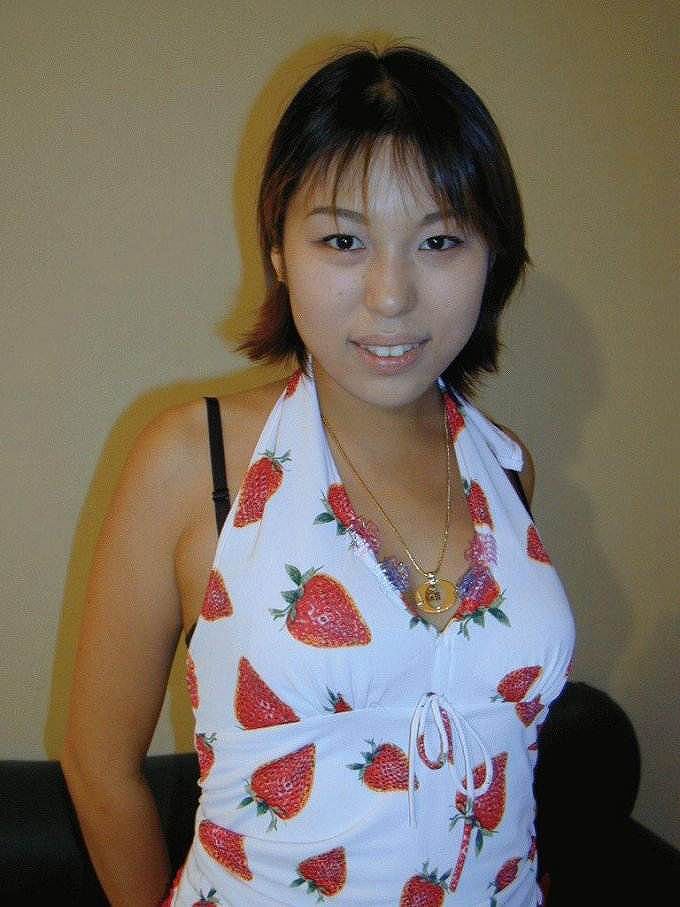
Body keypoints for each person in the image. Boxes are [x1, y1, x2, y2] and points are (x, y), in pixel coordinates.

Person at [62, 43, 576, 906]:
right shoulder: (194, 459)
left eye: (439, 240)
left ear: (492, 253)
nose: (390, 294)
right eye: (343, 239)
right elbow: (98, 765)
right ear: (278, 249)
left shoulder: (506, 464)